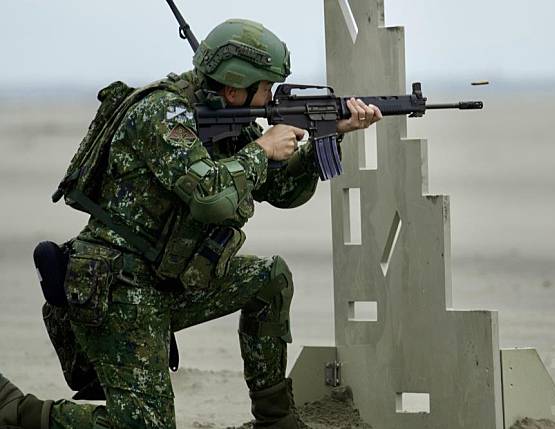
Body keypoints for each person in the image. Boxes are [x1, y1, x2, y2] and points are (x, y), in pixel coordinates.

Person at [0, 18, 381, 429]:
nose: (270, 97)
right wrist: (261, 149)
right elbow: (210, 198)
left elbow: (283, 190)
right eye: (266, 87)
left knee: (269, 278)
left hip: (169, 278)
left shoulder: (228, 117)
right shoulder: (162, 115)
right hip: (117, 287)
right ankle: (15, 411)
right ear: (235, 87)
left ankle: (275, 420)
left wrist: (332, 133)